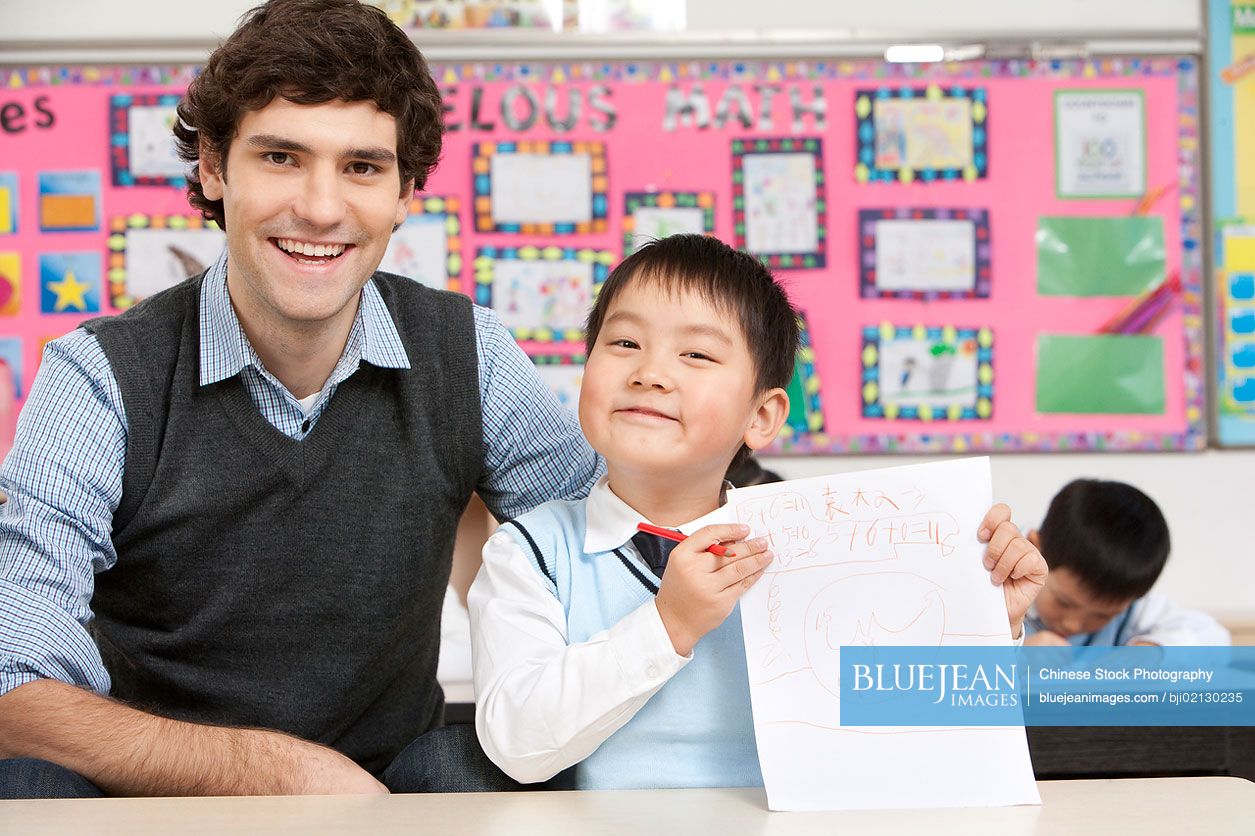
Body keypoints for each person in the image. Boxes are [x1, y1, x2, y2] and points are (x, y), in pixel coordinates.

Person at [0, 0, 600, 798]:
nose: (320, 208)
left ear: (406, 191)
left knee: (471, 765)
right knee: (31, 781)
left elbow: (609, 554)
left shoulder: (469, 353)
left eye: (361, 167)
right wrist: (279, 771)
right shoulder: (98, 377)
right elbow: (12, 686)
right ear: (214, 167)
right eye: (281, 157)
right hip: (149, 802)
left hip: (387, 798)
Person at [467, 234, 1047, 789]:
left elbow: (902, 728)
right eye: (624, 344)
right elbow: (517, 745)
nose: (649, 373)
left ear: (762, 417)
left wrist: (990, 626)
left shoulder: (813, 548)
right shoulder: (530, 553)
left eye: (695, 353)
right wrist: (669, 625)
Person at [1023, 479, 1229, 647]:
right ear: (1035, 548)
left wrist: (1153, 652)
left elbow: (1215, 638)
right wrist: (1017, 659)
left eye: (1102, 616)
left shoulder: (1130, 600)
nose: (1073, 624)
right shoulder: (997, 585)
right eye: (1064, 602)